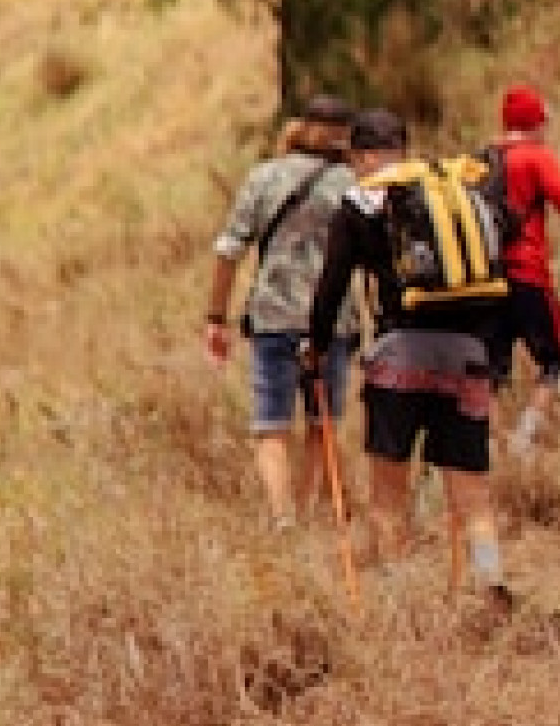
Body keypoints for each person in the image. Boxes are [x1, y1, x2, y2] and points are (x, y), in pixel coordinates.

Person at [300, 108, 514, 607]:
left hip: (400, 357)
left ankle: (398, 603)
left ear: (363, 155)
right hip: (467, 356)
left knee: (388, 493)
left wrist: (316, 348)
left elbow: (332, 288)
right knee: (472, 493)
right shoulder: (452, 193)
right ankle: (489, 582)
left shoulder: (359, 207)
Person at [203, 93, 360, 531]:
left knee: (271, 427)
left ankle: (282, 517)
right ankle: (309, 514)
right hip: (332, 324)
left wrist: (216, 317)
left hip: (273, 319)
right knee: (320, 423)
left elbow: (229, 249)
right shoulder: (351, 183)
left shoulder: (264, 178)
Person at [483, 84, 560, 456]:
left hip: (485, 278)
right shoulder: (535, 157)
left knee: (491, 370)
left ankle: (488, 444)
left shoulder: (484, 157)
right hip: (528, 274)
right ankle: (524, 438)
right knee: (557, 359)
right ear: (534, 123)